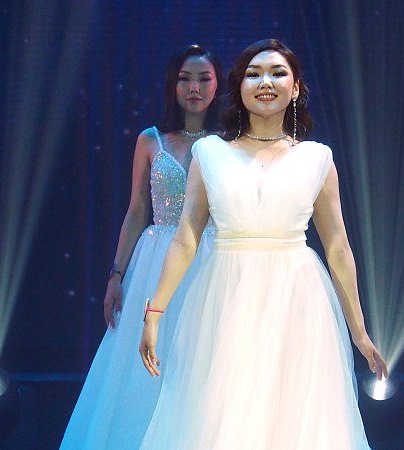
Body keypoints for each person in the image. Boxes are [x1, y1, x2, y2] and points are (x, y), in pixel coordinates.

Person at [139, 39, 388, 449]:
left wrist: (359, 331)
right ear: (239, 86)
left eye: (277, 73)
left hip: (296, 301)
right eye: (253, 74)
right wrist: (154, 313)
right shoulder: (210, 152)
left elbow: (338, 248)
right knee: (223, 418)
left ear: (296, 88)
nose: (265, 82)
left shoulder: (317, 158)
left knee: (293, 419)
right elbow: (185, 239)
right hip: (225, 298)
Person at [60, 44, 224, 450]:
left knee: (205, 361)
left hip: (211, 259)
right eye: (185, 78)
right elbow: (137, 211)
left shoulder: (229, 142)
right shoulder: (151, 140)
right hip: (155, 260)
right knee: (144, 367)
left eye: (204, 79)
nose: (194, 87)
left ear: (218, 85)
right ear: (172, 84)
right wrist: (116, 275)